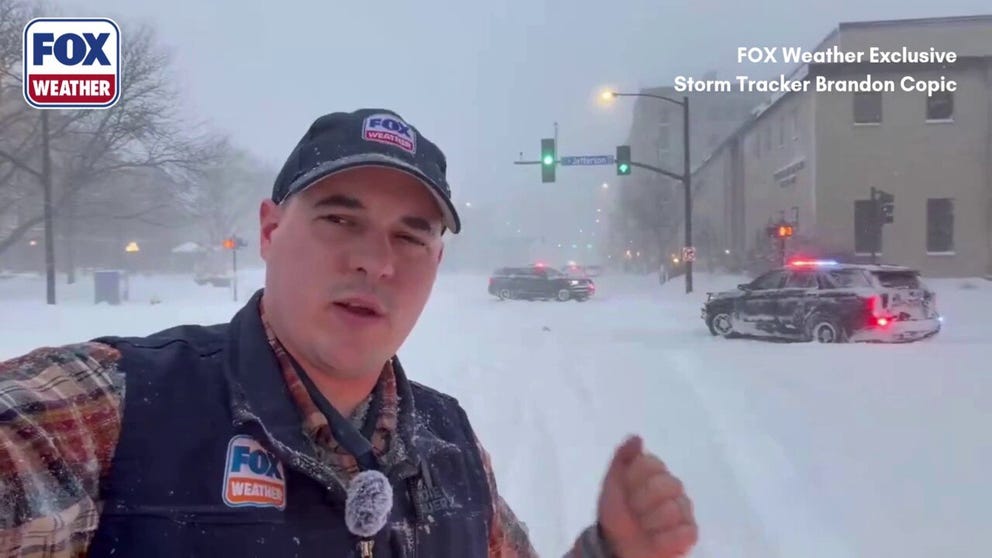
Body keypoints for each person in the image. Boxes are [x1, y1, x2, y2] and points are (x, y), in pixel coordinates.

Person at [0, 108, 697, 558]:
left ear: (437, 262)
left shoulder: (450, 448)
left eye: (410, 236)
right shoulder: (117, 408)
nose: (377, 260)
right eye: (341, 219)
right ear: (270, 230)